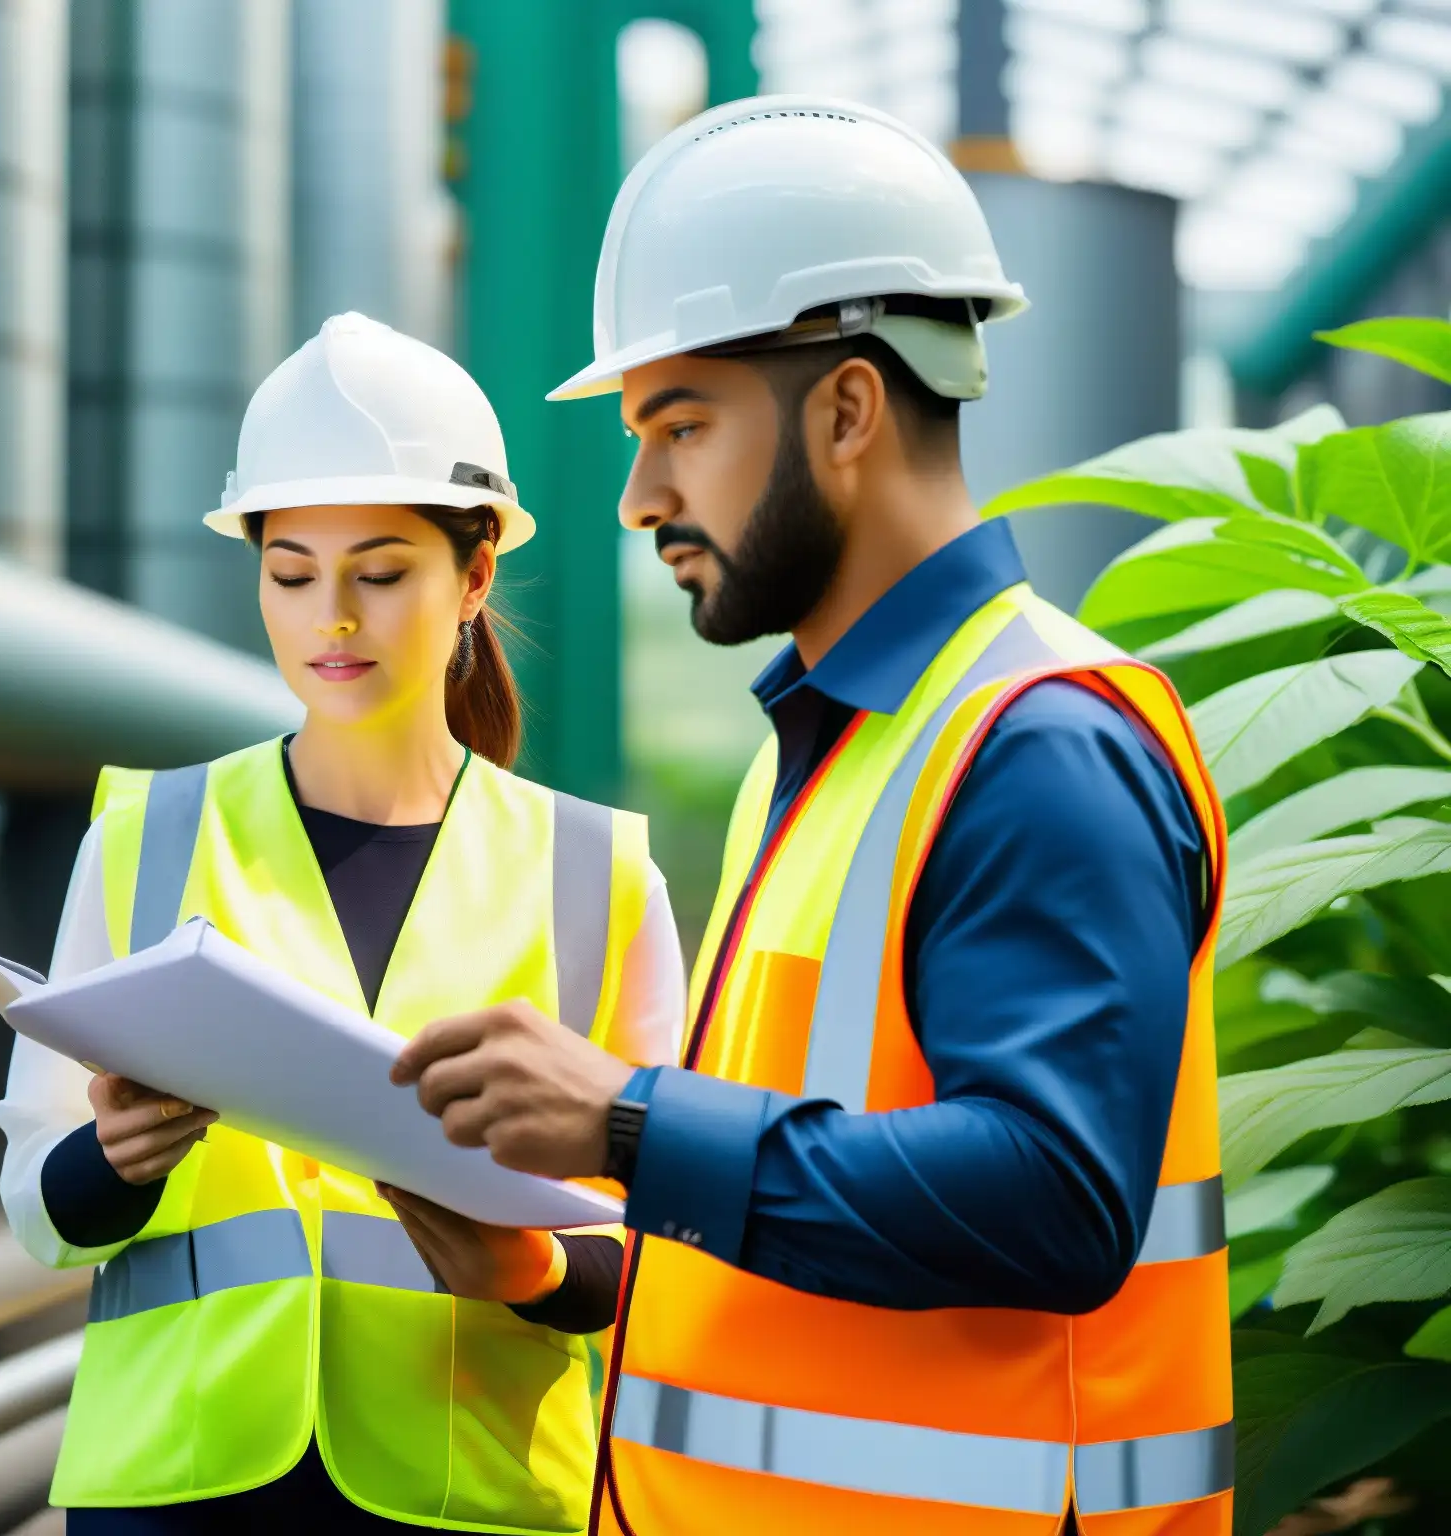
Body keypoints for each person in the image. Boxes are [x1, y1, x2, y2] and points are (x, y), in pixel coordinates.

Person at [392, 98, 1232, 1535]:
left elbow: (1056, 1195)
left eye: (682, 424)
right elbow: (793, 1232)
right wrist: (544, 1268)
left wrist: (628, 1126)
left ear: (846, 410)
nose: (638, 494)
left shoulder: (1040, 747)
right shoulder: (824, 757)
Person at [0, 312, 684, 1534]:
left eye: (379, 571)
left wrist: (529, 1267)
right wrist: (110, 1162)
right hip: (176, 1483)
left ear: (472, 577)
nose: (332, 620)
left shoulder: (596, 872)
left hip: (465, 1486)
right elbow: (36, 1212)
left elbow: (664, 1239)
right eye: (291, 573)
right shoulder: (147, 838)